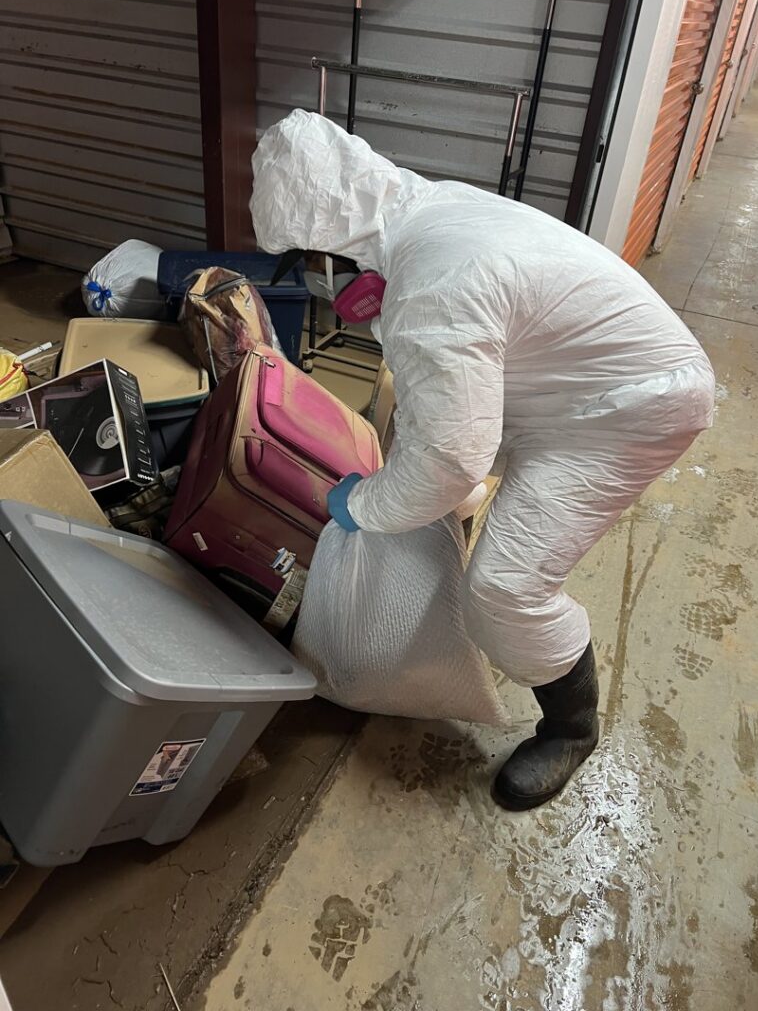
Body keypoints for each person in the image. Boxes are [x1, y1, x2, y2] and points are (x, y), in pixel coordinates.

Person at [250, 110, 715, 811]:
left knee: (503, 587)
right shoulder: (423, 211)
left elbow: (448, 459)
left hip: (626, 411)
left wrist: (365, 505)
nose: (316, 289)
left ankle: (571, 726)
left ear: (325, 245)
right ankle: (453, 538)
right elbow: (444, 407)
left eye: (308, 270)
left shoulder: (431, 285)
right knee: (433, 443)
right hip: (569, 378)